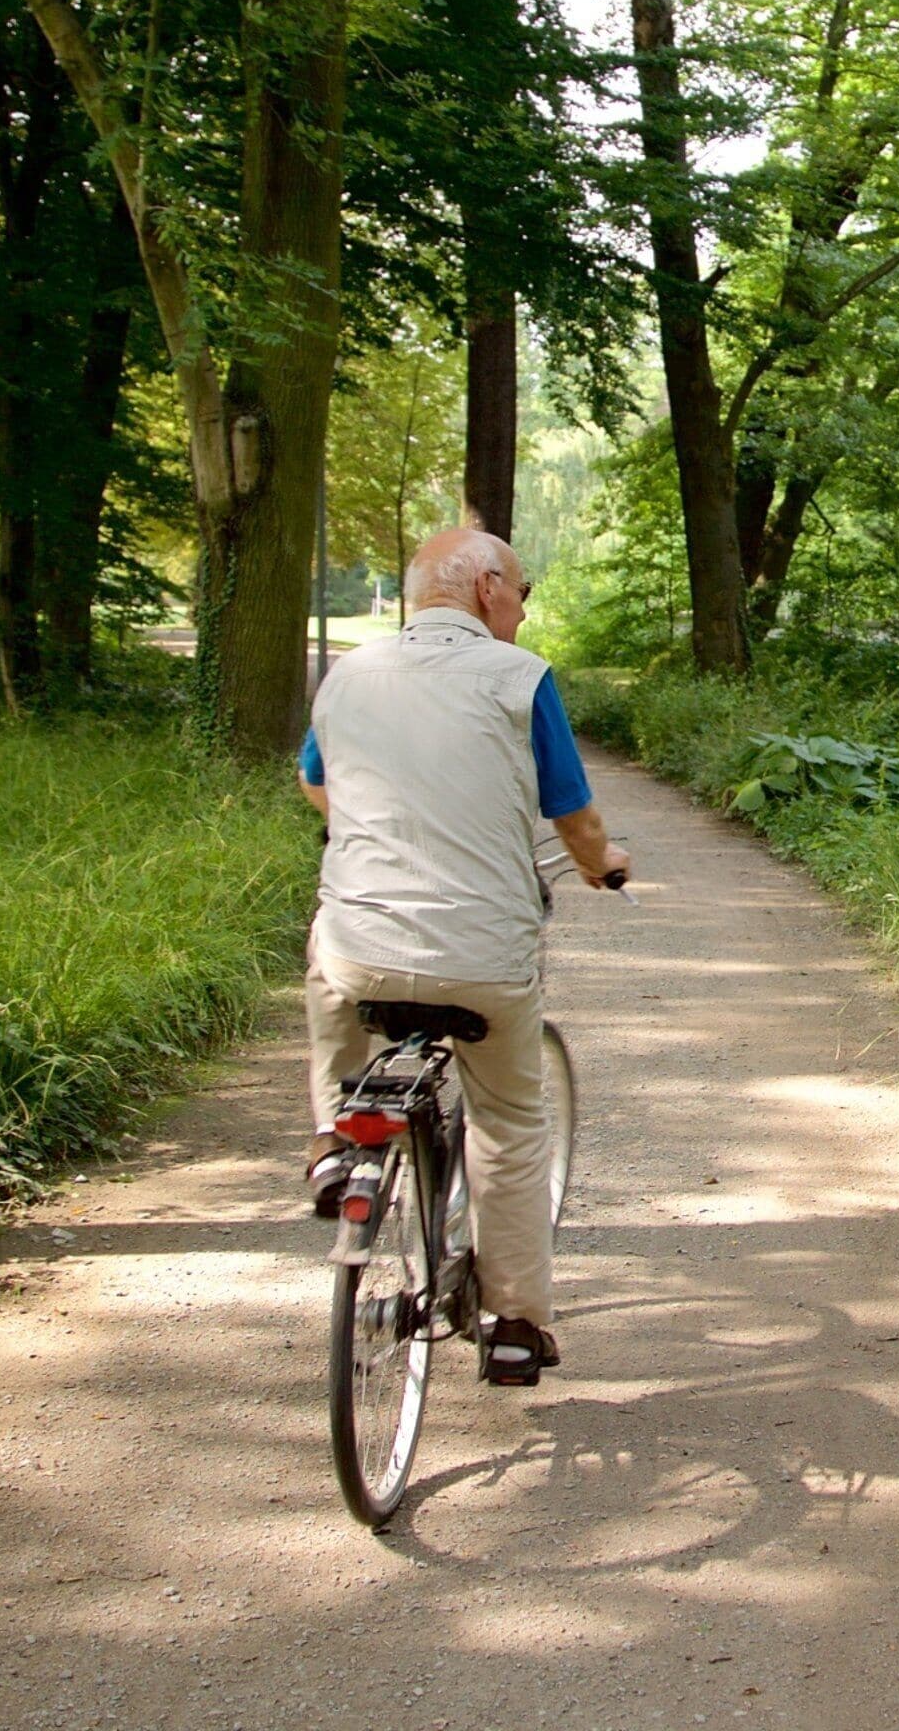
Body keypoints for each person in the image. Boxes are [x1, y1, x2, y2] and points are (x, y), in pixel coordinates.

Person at [297, 524, 627, 1387]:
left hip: (363, 951)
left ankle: (337, 1134)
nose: (522, 607)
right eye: (520, 588)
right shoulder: (520, 678)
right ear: (485, 587)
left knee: (329, 950)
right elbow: (578, 822)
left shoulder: (348, 674)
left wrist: (371, 826)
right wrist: (605, 867)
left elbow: (314, 778)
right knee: (512, 1123)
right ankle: (514, 1322)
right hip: (482, 957)